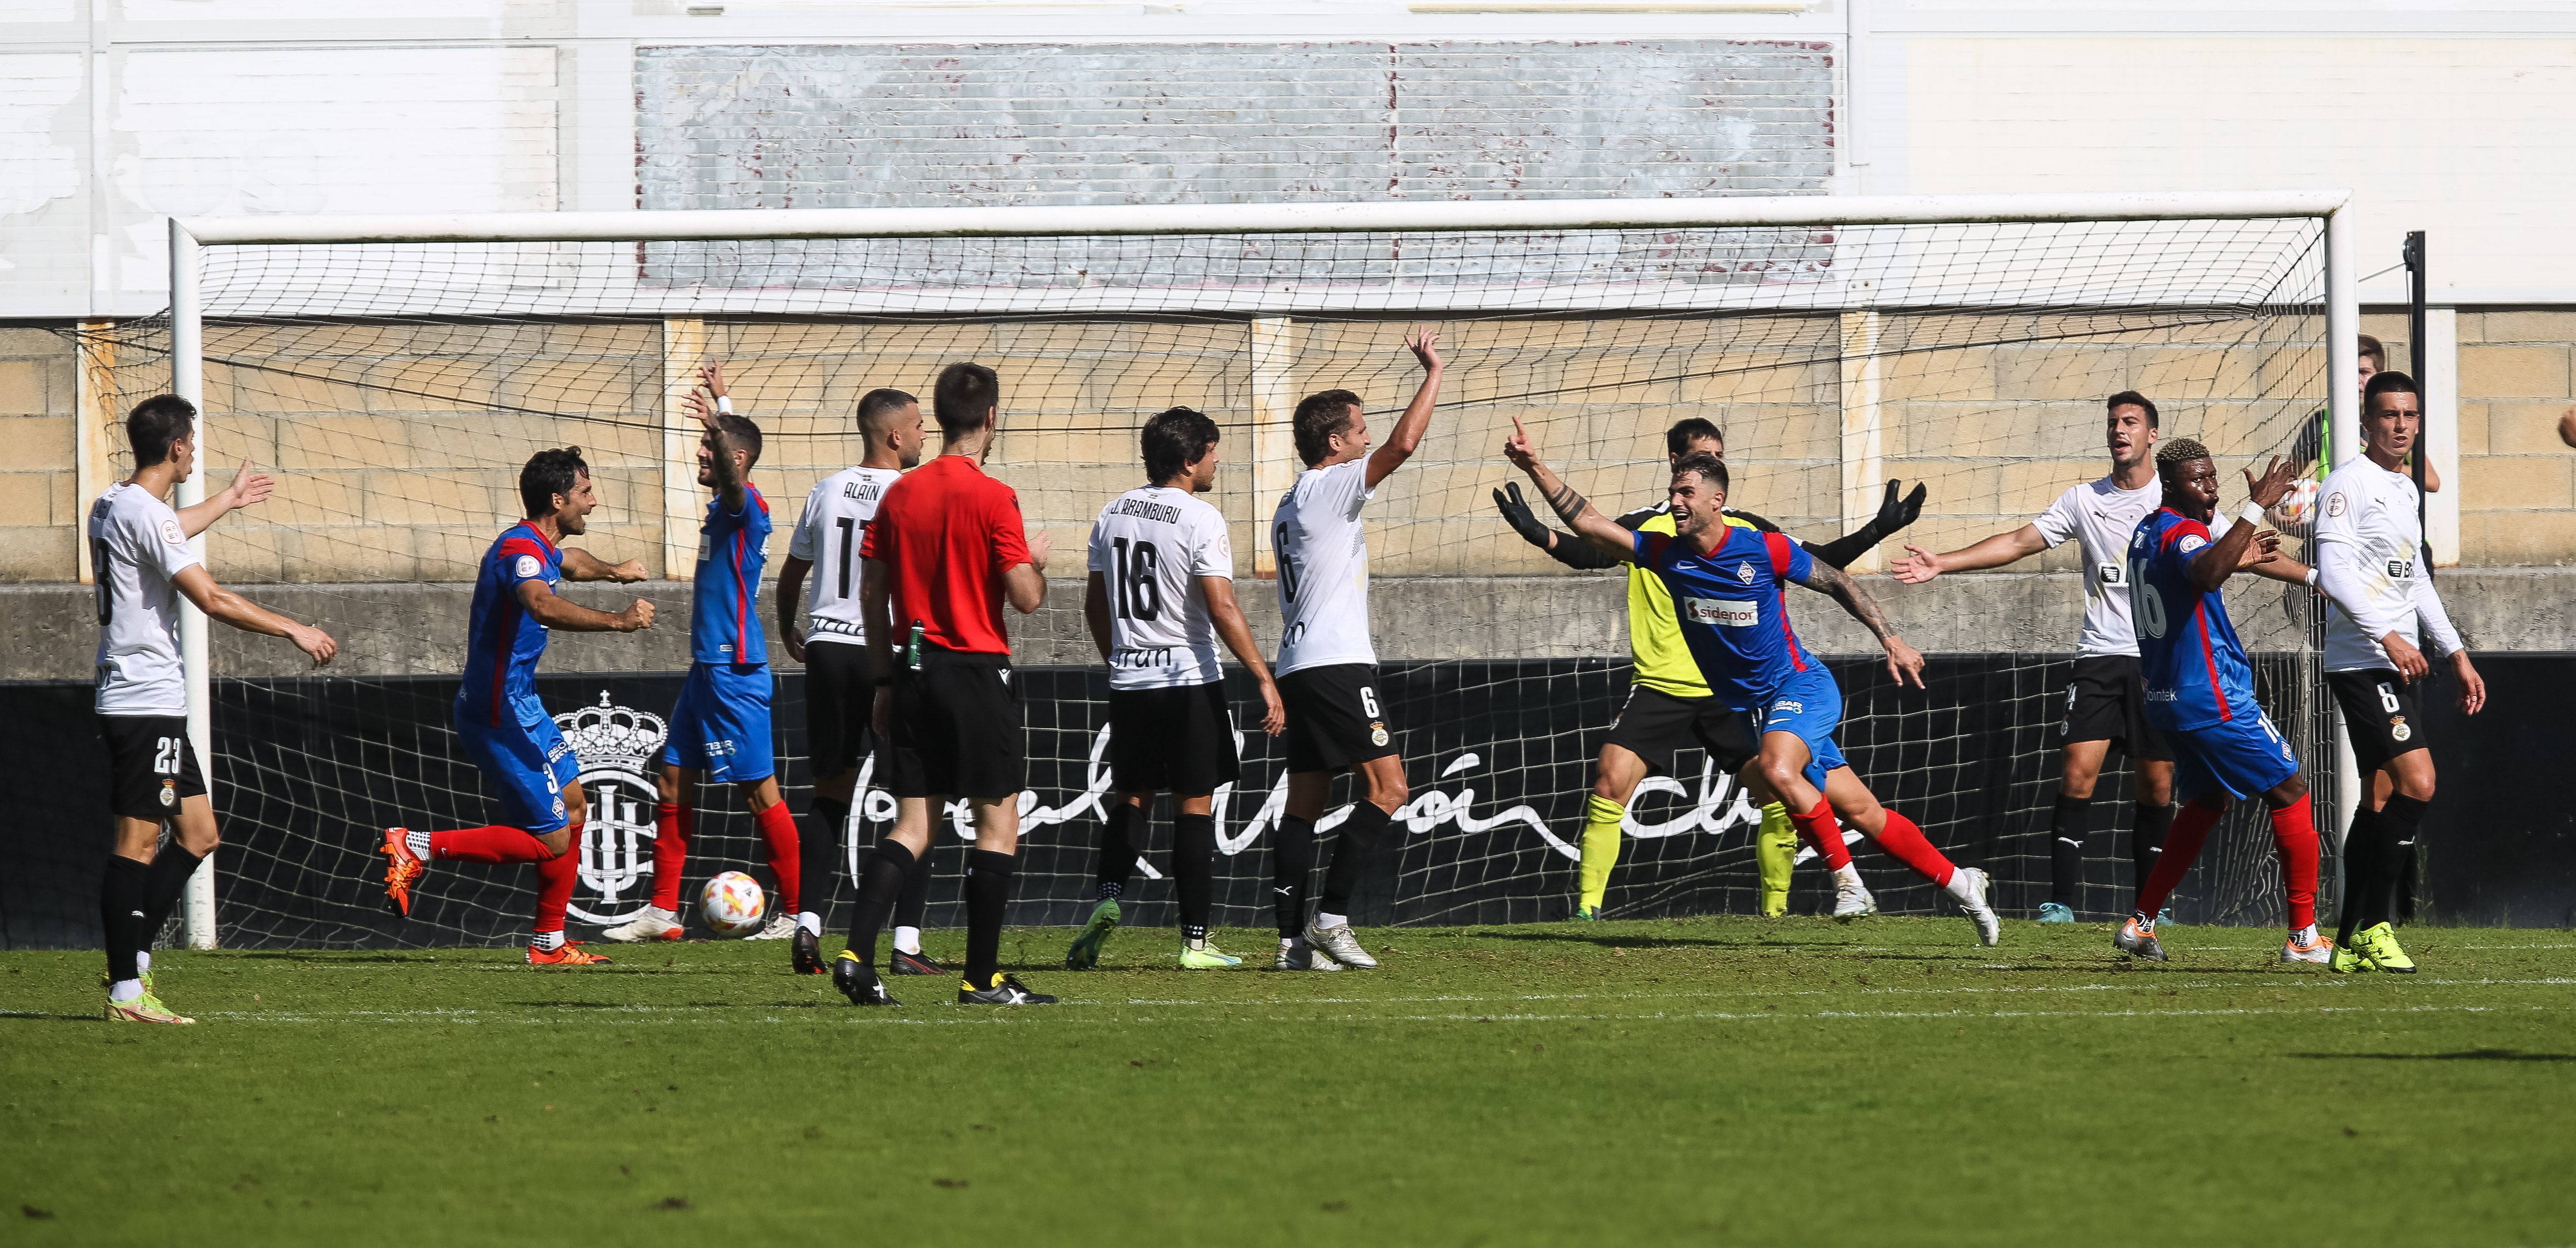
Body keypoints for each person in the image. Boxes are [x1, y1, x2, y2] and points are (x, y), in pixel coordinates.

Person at [1504, 422, 2004, 947]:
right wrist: (1534, 466)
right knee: (1860, 810)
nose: (1674, 501)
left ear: (1716, 500)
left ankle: (1848, 883)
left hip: (1802, 685)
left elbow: (1836, 578)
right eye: (1673, 490)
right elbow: (1588, 525)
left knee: (1774, 768)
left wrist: (1891, 639)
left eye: (1685, 493)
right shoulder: (1664, 554)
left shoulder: (1761, 548)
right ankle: (1962, 885)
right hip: (1752, 706)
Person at [93, 396, 339, 1022]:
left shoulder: (115, 501)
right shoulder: (147, 515)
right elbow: (212, 597)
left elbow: (167, 531)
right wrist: (294, 630)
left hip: (152, 702)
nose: (196, 449)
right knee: (137, 842)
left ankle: (133, 957)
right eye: (193, 440)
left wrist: (226, 501)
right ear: (176, 447)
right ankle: (127, 990)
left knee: (199, 834)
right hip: (142, 701)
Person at [1893, 392, 2178, 923]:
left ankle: (2151, 906)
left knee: (2157, 785)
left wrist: (2310, 573)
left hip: (2158, 663)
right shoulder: (2082, 499)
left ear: (2151, 435)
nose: (2119, 430)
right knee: (2076, 775)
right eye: (2113, 422)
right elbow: (2019, 542)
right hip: (2098, 657)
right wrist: (1943, 563)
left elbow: (2232, 545)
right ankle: (2060, 903)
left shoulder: (2177, 497)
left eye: (2131, 422)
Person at [832, 361, 1055, 1006]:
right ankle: (981, 979)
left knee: (913, 825)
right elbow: (1026, 598)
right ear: (990, 417)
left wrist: (883, 677)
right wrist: (1033, 563)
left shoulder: (899, 494)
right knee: (997, 822)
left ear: (937, 417)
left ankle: (855, 955)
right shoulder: (993, 497)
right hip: (974, 670)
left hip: (913, 668)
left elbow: (872, 595)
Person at [382, 447, 655, 964]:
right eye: (585, 492)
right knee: (551, 840)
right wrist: (617, 621)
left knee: (575, 806)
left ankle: (549, 942)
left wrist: (613, 571)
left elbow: (567, 562)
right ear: (558, 499)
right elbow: (541, 602)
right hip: (497, 712)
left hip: (521, 704)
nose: (592, 503)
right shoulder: (518, 551)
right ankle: (415, 844)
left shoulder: (539, 545)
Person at [1066, 406, 1288, 970]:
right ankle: (1193, 942)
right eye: (1212, 450)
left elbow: (1093, 605)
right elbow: (1222, 607)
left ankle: (1108, 900)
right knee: (1194, 805)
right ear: (1190, 459)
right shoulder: (1200, 518)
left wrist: (1119, 658)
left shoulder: (1111, 512)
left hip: (1131, 680)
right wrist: (1264, 677)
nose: (1218, 459)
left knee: (1131, 797)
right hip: (1187, 679)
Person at [600, 364, 804, 945]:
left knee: (758, 792)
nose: (699, 461)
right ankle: (662, 912)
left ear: (732, 459)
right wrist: (724, 404)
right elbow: (739, 452)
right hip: (705, 671)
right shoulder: (724, 506)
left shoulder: (746, 507)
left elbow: (738, 474)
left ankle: (794, 913)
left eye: (708, 452)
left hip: (734, 671)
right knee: (671, 781)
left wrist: (718, 424)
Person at [1266, 328, 1443, 972]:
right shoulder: (1331, 484)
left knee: (1303, 806)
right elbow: (1403, 443)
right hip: (1335, 662)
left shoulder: (1292, 500)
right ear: (1335, 442)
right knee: (1390, 786)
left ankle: (1289, 945)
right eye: (1358, 429)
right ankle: (1331, 918)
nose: (1367, 437)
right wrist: (1433, 373)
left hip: (1299, 664)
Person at [2116, 440, 2330, 965]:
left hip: (2166, 697)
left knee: (2209, 799)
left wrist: (2311, 576)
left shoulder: (2147, 533)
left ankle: (2141, 923)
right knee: (2290, 788)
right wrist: (2255, 506)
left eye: (2212, 476)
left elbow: (2212, 562)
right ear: (2171, 485)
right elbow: (2205, 571)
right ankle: (2302, 936)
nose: (2209, 487)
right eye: (2197, 479)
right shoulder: (2183, 533)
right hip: (2209, 696)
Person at [2314, 371, 2485, 973]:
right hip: (2363, 663)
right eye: (2388, 415)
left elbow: (2414, 582)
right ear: (2365, 422)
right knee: (2419, 782)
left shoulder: (2407, 489)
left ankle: (2348, 935)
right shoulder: (2346, 485)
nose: (2399, 426)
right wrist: (2385, 636)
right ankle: (2373, 924)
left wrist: (2456, 654)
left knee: (2382, 794)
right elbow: (2332, 574)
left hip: (2401, 662)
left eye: (2409, 416)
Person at [776, 386, 931, 977]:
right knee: (919, 798)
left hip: (827, 650)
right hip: (885, 652)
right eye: (918, 427)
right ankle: (907, 943)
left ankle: (809, 925)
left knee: (828, 792)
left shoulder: (827, 488)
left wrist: (790, 628)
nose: (923, 437)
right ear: (893, 435)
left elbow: (792, 575)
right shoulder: (910, 491)